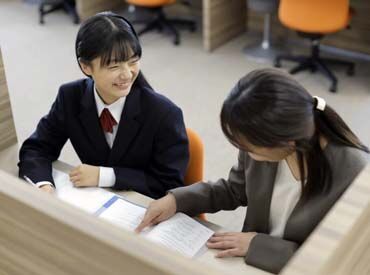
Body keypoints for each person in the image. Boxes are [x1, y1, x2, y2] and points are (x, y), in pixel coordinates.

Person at [136, 68, 369, 273]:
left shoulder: (357, 175)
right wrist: (177, 200)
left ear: (286, 142)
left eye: (248, 147)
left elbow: (341, 262)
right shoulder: (266, 141)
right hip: (247, 263)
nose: (243, 151)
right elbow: (234, 189)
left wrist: (258, 245)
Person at [18, 12, 189, 199]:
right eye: (114, 66)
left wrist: (105, 176)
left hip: (142, 209)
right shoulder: (70, 97)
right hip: (95, 204)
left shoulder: (164, 113)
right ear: (85, 67)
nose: (127, 75)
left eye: (133, 62)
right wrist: (44, 186)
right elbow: (36, 149)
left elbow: (168, 186)